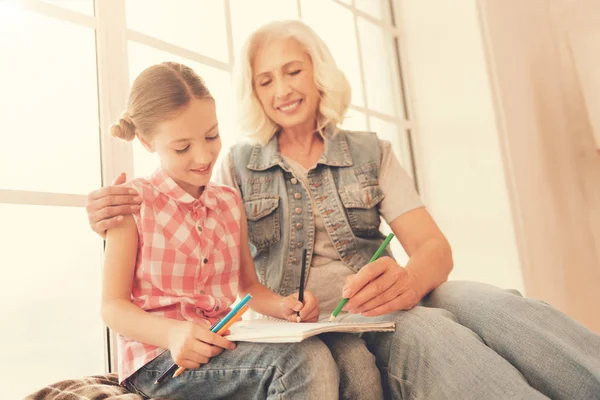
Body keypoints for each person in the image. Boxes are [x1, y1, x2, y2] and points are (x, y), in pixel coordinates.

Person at [87, 21, 600, 399]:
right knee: (437, 332)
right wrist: (104, 216)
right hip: (328, 325)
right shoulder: (234, 165)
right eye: (266, 80)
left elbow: (434, 250)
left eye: (293, 71)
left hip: (387, 301)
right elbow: (173, 217)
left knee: (496, 304)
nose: (283, 89)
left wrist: (410, 278)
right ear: (252, 91)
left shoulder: (370, 151)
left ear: (319, 73)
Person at [100, 61, 341, 400]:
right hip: (158, 362)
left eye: (212, 136)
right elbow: (112, 306)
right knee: (300, 362)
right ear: (145, 140)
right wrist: (172, 334)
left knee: (328, 354)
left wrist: (284, 306)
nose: (203, 156)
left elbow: (248, 286)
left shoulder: (229, 201)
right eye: (182, 147)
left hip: (223, 343)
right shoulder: (132, 205)